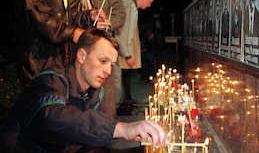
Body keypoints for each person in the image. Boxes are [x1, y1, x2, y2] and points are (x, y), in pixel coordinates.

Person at [0, 27, 168, 152]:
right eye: (103, 61)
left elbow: (94, 142)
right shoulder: (51, 80)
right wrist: (122, 129)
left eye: (111, 65)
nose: (108, 71)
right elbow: (54, 117)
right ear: (81, 56)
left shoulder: (96, 93)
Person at [67, 0, 126, 118]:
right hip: (75, 48)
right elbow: (63, 16)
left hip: (101, 49)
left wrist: (108, 24)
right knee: (77, 92)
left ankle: (106, 129)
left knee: (104, 93)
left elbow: (120, 12)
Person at [115, 0, 156, 115]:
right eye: (149, 2)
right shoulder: (131, 8)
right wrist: (128, 55)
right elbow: (124, 34)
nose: (149, 6)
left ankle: (116, 106)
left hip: (112, 44)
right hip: (115, 46)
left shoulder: (125, 2)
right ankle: (115, 110)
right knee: (115, 80)